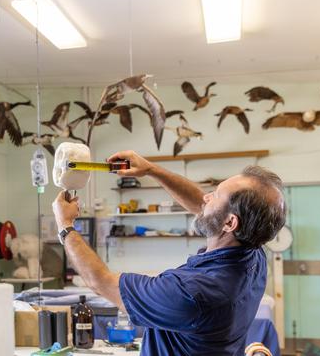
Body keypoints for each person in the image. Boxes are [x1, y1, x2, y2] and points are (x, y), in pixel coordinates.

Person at [52, 150, 286, 356]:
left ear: (230, 223)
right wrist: (151, 170)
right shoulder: (253, 254)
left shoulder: (191, 293)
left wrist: (65, 225)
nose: (205, 197)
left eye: (214, 195)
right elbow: (206, 208)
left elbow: (101, 282)